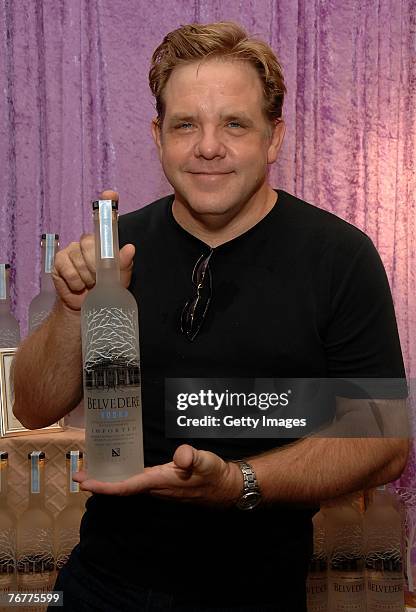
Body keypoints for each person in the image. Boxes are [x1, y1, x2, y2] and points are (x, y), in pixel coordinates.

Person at [13, 21, 408, 612]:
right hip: (106, 585)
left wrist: (237, 483)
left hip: (256, 594)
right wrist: (74, 309)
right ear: (158, 136)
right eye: (185, 125)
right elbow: (33, 405)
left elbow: (385, 441)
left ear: (274, 139)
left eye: (234, 123)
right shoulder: (117, 249)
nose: (207, 146)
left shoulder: (338, 257)